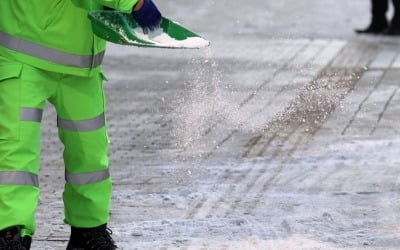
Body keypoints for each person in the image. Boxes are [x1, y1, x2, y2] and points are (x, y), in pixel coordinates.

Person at [0, 0, 161, 249]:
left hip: (81, 61)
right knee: (15, 153)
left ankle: (88, 232)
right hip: (24, 52)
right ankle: (9, 234)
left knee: (90, 155)